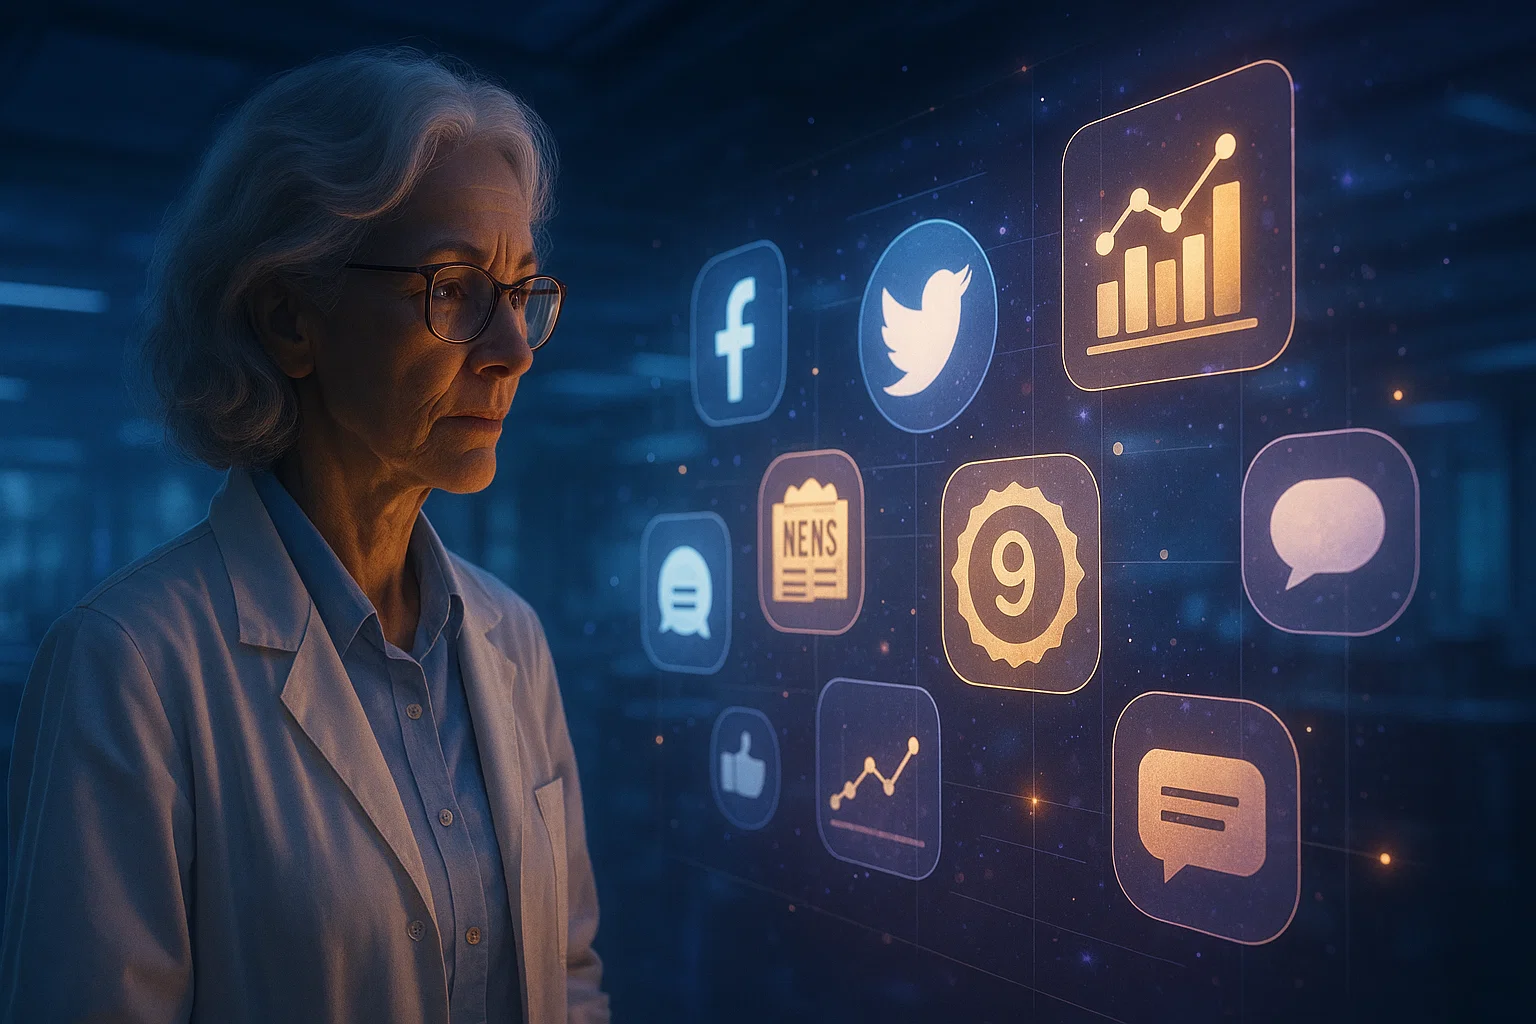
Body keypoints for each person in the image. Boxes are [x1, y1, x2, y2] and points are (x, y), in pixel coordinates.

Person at [0, 48, 606, 1024]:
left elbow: (567, 976)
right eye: (454, 288)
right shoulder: (129, 664)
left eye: (522, 293)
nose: (512, 352)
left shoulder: (512, 639)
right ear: (289, 318)